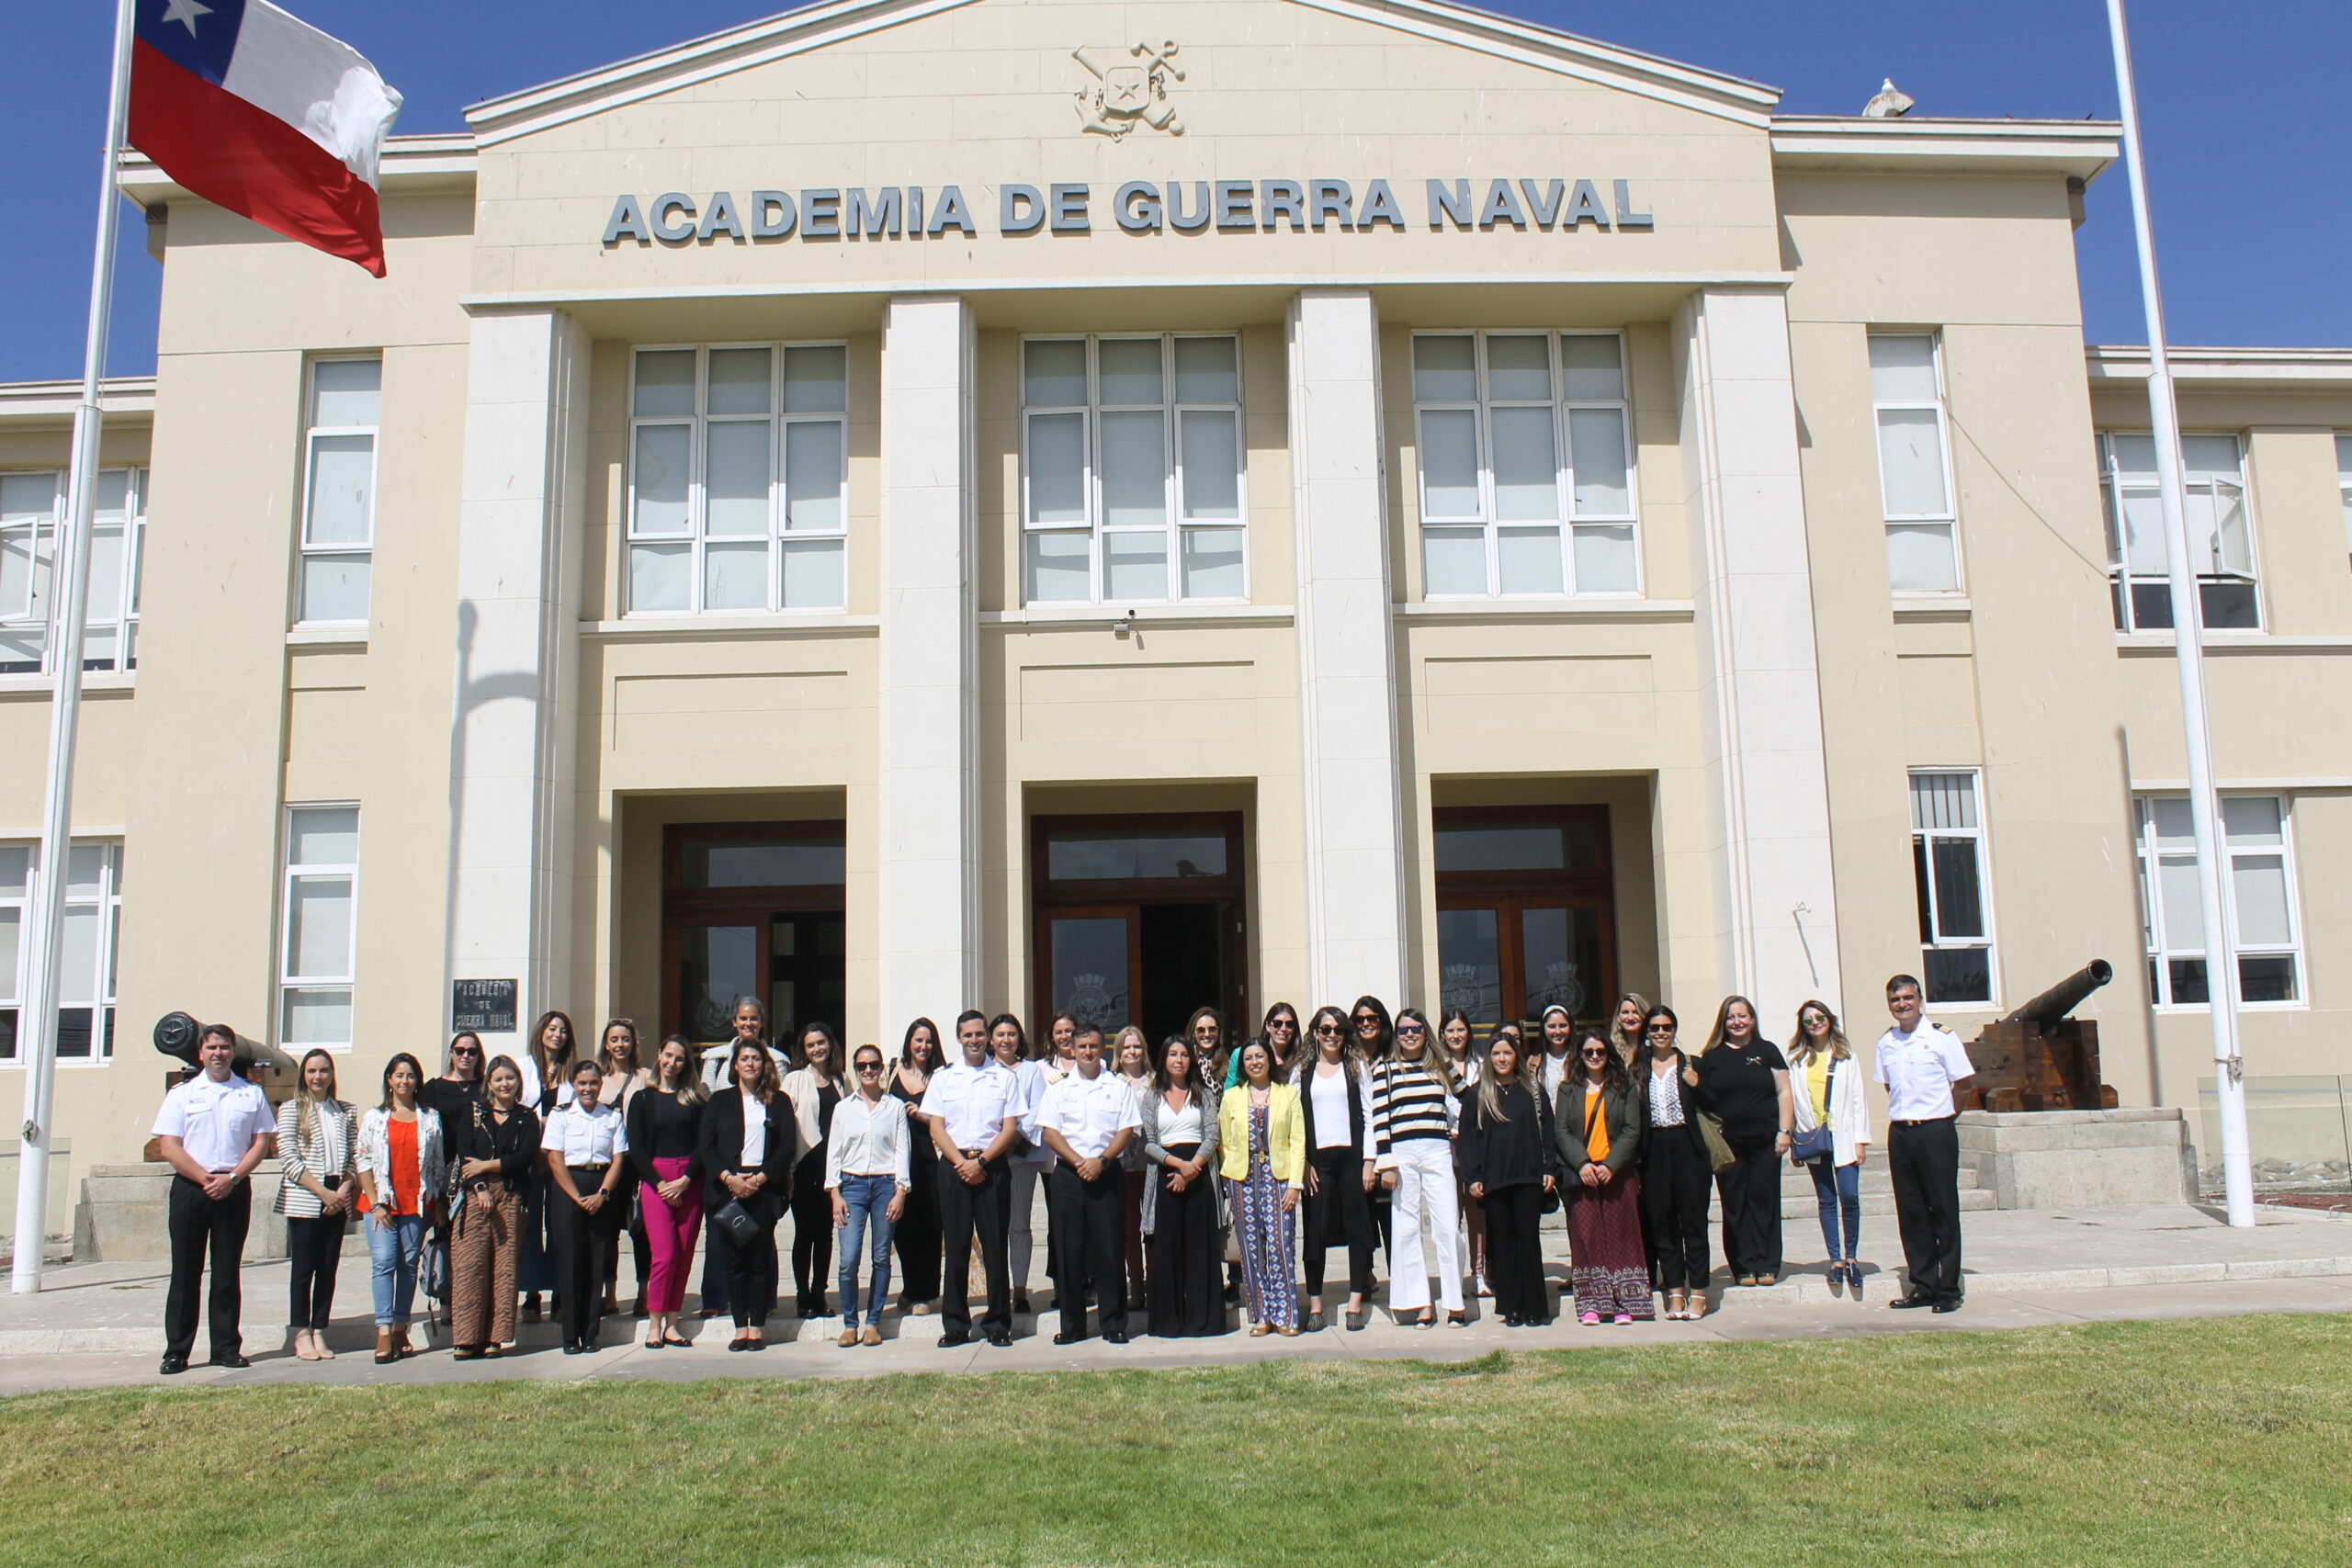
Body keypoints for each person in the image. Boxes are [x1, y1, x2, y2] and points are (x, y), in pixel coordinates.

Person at [153, 1023, 275, 1374]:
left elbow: (261, 1143)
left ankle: (225, 1347)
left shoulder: (250, 1094)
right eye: (211, 1048)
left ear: (233, 1052)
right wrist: (203, 1177)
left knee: (225, 1274)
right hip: (192, 1188)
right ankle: (177, 1351)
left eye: (224, 1048)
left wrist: (232, 1178)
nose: (218, 1054)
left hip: (233, 1189)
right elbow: (169, 1146)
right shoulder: (181, 1095)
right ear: (200, 1054)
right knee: (185, 1274)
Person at [918, 1010, 1023, 1348]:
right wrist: (962, 1162)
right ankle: (955, 1325)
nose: (975, 1040)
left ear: (988, 1038)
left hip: (992, 1166)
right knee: (958, 1247)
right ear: (959, 1038)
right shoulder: (944, 1078)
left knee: (994, 1247)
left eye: (980, 1034)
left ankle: (997, 1323)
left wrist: (983, 1161)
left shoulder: (1005, 1077)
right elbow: (936, 1126)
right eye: (968, 1035)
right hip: (953, 1165)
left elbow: (1010, 1128)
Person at [1037, 1026, 1142, 1344]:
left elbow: (1126, 1129)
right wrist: (1079, 1162)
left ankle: (1113, 1324)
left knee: (1110, 1249)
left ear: (1103, 1049)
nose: (1087, 1052)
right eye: (1081, 1046)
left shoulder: (1118, 1086)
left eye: (1093, 1046)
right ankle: (1072, 1326)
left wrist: (1102, 1161)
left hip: (1107, 1172)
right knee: (1069, 1252)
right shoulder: (1058, 1088)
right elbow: (1050, 1132)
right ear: (1072, 1049)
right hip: (1069, 1176)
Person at [1876, 975, 1975, 1313]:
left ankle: (1948, 1289)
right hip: (1902, 1132)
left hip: (1936, 1131)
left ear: (1920, 1000)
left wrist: (1945, 1116)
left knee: (1943, 1210)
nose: (1902, 1005)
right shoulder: (1886, 1042)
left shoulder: (1941, 1038)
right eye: (1895, 1000)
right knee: (1912, 1212)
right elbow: (1891, 1088)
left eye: (1907, 998)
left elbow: (1963, 1084)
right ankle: (1923, 1285)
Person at [697, 1037, 798, 1350]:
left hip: (763, 1190)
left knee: (759, 1261)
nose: (750, 1064)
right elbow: (707, 1147)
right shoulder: (720, 1102)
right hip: (728, 1191)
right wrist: (730, 1178)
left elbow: (785, 1147)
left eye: (755, 1058)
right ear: (735, 1065)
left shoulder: (778, 1101)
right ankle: (739, 1327)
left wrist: (761, 1178)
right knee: (733, 1262)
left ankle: (757, 1328)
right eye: (744, 1059)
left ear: (764, 1063)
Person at [1373, 1006, 1464, 1327]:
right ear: (1396, 1035)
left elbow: (1469, 1097)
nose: (1410, 1034)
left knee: (1447, 1226)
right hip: (1402, 1153)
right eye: (1403, 1030)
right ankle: (1419, 1304)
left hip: (1437, 1149)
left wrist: (1459, 1126)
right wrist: (1386, 1164)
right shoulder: (1384, 1070)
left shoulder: (1442, 1066)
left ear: (1425, 1032)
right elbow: (1380, 1119)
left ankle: (1455, 1303)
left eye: (1416, 1029)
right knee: (1406, 1227)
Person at [1458, 1032, 1557, 1326]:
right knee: (1503, 1243)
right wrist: (1473, 1177)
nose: (1502, 1059)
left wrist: (1549, 1168)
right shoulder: (1478, 1094)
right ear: (1489, 1058)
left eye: (1507, 1053)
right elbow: (1469, 1140)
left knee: (1528, 1240)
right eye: (1496, 1054)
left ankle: (1535, 1308)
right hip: (1495, 1179)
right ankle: (1511, 1307)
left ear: (1517, 1056)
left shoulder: (1532, 1090)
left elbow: (1548, 1130)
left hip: (1528, 1176)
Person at [1694, 996, 1793, 1288]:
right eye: (1731, 1017)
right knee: (1734, 1205)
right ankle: (1743, 1266)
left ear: (1752, 1019)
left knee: (1764, 1203)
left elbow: (1784, 1093)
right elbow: (1705, 1101)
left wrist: (1784, 1132)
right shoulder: (1711, 1057)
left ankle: (1767, 1264)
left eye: (1742, 1016)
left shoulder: (1768, 1051)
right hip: (1729, 1145)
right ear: (1723, 1022)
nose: (1737, 1022)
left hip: (1766, 1142)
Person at [358, 1052, 448, 1363]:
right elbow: (363, 1160)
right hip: (381, 1204)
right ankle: (383, 1330)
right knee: (383, 1263)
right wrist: (374, 1202)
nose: (404, 1081)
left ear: (417, 1080)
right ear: (389, 1080)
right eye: (399, 1075)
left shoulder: (431, 1118)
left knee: (409, 1264)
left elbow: (437, 1165)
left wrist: (438, 1205)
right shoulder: (375, 1117)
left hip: (417, 1203)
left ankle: (400, 1326)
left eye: (409, 1075)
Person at [449, 1055, 541, 1359]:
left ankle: (495, 1337)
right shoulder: (475, 1114)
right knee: (470, 1266)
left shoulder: (526, 1118)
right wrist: (478, 1187)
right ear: (489, 1084)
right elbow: (465, 1156)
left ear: (518, 1082)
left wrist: (488, 1166)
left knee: (504, 1270)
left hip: (512, 1197)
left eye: (510, 1078)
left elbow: (525, 1157)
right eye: (499, 1079)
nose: (505, 1084)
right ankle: (466, 1338)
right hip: (475, 1197)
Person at [1557, 1027, 1649, 1324]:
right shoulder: (1567, 1090)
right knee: (1587, 1237)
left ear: (1608, 1054)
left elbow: (1632, 1129)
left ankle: (1626, 1303)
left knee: (1622, 1236)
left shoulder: (1624, 1088)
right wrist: (1582, 1163)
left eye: (1600, 1051)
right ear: (1580, 1056)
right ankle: (1593, 1304)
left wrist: (1611, 1164)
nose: (1595, 1056)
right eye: (1588, 1052)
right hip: (1581, 1174)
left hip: (1616, 1172)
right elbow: (1562, 1131)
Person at [275, 1048, 358, 1362]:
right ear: (303, 1076)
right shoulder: (291, 1109)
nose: (318, 1077)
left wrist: (344, 1189)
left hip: (338, 1194)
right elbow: (289, 1158)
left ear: (332, 1074)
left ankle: (320, 1327)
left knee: (327, 1268)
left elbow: (354, 1154)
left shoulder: (345, 1111)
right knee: (304, 1268)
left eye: (323, 1070)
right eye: (311, 1071)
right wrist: (323, 1193)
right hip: (307, 1196)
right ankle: (301, 1331)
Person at [540, 1058, 628, 1355]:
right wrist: (577, 1196)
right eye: (582, 1083)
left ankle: (591, 1334)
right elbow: (554, 1159)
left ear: (600, 1085)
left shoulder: (612, 1116)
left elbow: (618, 1159)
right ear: (574, 1086)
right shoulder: (561, 1115)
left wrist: (602, 1193)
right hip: (569, 1188)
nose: (588, 1089)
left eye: (593, 1083)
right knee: (570, 1263)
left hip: (601, 1186)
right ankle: (569, 1336)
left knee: (596, 1263)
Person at [826, 1043, 911, 1347]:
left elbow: (902, 1150)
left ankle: (873, 1322)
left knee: (880, 1257)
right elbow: (834, 1153)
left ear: (882, 1069)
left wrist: (901, 1190)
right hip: (852, 1186)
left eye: (874, 1065)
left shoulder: (895, 1107)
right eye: (862, 1066)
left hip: (886, 1186)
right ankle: (850, 1323)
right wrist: (834, 1193)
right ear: (855, 1069)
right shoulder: (843, 1108)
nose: (868, 1071)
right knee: (848, 1259)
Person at [1296, 1004, 1375, 1332]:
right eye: (1325, 1029)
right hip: (1317, 1163)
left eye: (1338, 1030)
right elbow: (1295, 1122)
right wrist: (1301, 1162)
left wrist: (1369, 1161)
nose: (1332, 1035)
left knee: (1358, 1230)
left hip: (1351, 1160)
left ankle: (1355, 1300)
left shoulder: (1356, 1068)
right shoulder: (1301, 1071)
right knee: (1315, 1232)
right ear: (1315, 1033)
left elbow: (1370, 1115)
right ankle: (1316, 1302)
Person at [1138, 1034, 1223, 1337]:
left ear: (1191, 1060)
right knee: (1166, 1250)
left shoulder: (1204, 1094)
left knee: (1201, 1249)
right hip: (1165, 1174)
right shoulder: (1152, 1096)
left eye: (1184, 1055)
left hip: (1199, 1173)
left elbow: (1212, 1136)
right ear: (1163, 1059)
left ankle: (1204, 1322)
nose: (1178, 1060)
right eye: (1172, 1054)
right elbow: (1148, 1143)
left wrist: (1193, 1168)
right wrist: (1178, 1166)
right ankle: (1167, 1323)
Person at [696, 996, 775, 1319]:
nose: (748, 1024)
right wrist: (726, 1175)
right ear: (734, 1023)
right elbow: (706, 1123)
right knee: (718, 1242)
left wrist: (764, 1176)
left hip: (760, 1173)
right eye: (743, 1019)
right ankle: (715, 1299)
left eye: (753, 1019)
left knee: (761, 1245)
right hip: (724, 1171)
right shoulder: (714, 1059)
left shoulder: (777, 1060)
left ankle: (764, 1301)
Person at [626, 1034, 705, 1350]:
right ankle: (654, 1323)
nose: (672, 1063)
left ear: (686, 1064)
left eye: (680, 1058)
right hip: (656, 1180)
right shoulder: (642, 1099)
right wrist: (660, 1184)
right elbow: (637, 1148)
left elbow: (703, 1144)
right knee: (665, 1255)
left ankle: (673, 1323)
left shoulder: (695, 1098)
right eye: (668, 1055)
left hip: (689, 1180)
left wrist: (685, 1180)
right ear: (659, 1056)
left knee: (684, 1255)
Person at [1221, 1038, 1304, 1337]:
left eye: (1260, 1056)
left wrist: (1295, 1184)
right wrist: (1231, 1176)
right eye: (1248, 1058)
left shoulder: (1287, 1094)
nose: (1255, 1062)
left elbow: (1297, 1140)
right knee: (1251, 1249)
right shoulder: (1232, 1097)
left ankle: (1285, 1314)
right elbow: (1226, 1141)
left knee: (1280, 1245)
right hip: (1243, 1180)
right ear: (1242, 1065)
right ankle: (1260, 1314)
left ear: (1269, 1059)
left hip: (1279, 1179)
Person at [1635, 1006, 1713, 1321]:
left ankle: (1699, 1294)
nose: (1661, 1033)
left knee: (1693, 1223)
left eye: (1666, 1027)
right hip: (1654, 1149)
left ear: (1674, 1030)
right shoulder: (1638, 1068)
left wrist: (1696, 1084)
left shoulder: (1691, 1064)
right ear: (1647, 1034)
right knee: (1663, 1224)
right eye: (1654, 1028)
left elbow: (1715, 1103)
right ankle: (1676, 1293)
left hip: (1687, 1147)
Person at [1788, 1000, 1871, 1293]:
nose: (1815, 1024)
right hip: (1815, 1137)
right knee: (1826, 1199)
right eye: (1808, 1020)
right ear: (1803, 1026)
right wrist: (1795, 1141)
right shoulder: (1797, 1060)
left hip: (1844, 1135)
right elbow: (1794, 1103)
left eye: (1819, 1018)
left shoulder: (1846, 1057)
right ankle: (1835, 1261)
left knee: (1849, 1196)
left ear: (1829, 1020)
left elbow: (1859, 1100)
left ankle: (1852, 1258)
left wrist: (1861, 1140)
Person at [990, 1012, 1057, 1317]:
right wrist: (995, 1146)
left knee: (1019, 1226)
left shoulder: (1031, 1071)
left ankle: (1019, 1290)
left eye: (1012, 1034)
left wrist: (1011, 1140)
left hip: (1021, 1157)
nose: (1006, 1040)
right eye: (1000, 1034)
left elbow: (1035, 1110)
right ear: (991, 1039)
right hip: (987, 1159)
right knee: (993, 1227)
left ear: (1020, 1039)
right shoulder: (983, 1071)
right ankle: (996, 1288)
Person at [511, 1010, 574, 1324]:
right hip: (530, 1158)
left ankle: (560, 1290)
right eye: (552, 1029)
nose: (557, 1035)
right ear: (541, 1032)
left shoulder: (572, 1070)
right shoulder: (523, 1068)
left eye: (562, 1030)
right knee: (530, 1225)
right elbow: (513, 1107)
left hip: (560, 1157)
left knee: (560, 1226)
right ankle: (532, 1293)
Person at [782, 1021, 848, 1318]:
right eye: (810, 1045)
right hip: (804, 1166)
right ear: (804, 1050)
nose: (817, 1049)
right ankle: (802, 1295)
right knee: (804, 1233)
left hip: (833, 1169)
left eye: (821, 1043)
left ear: (829, 1044)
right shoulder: (794, 1079)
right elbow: (784, 1126)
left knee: (826, 1235)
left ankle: (820, 1294)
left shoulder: (842, 1080)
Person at [594, 1020, 652, 1316]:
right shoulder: (597, 1079)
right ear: (606, 1044)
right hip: (606, 1164)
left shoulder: (645, 1077)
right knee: (607, 1231)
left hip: (637, 1162)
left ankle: (644, 1294)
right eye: (614, 1039)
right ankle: (611, 1295)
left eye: (625, 1039)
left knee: (640, 1230)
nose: (620, 1045)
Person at [888, 1019, 945, 1315]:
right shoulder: (891, 1074)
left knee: (931, 1226)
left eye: (929, 1041)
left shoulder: (941, 1078)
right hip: (899, 1162)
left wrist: (925, 1117)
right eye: (918, 1040)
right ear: (909, 1042)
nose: (923, 1047)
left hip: (931, 1161)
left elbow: (951, 1118)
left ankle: (926, 1293)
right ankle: (910, 1287)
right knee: (903, 1227)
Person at [1438, 1009, 1485, 1296]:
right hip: (1445, 1150)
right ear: (1442, 1034)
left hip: (1476, 1150)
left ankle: (1478, 1275)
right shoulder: (1436, 1067)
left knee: (1477, 1215)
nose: (1456, 1036)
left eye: (1460, 1030)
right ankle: (1453, 1276)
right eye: (1450, 1031)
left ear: (1469, 1033)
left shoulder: (1482, 1065)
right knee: (1450, 1217)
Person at [1349, 995, 1396, 1265]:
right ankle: (1365, 1275)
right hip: (1357, 1145)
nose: (1366, 1023)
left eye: (1372, 1018)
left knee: (1390, 1219)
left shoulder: (1393, 1056)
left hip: (1389, 1145)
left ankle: (1398, 1281)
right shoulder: (1348, 1058)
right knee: (1361, 1217)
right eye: (1360, 1019)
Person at [1112, 1024, 1154, 1311]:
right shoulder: (1111, 1081)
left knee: (1151, 1226)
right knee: (1128, 1228)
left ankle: (1155, 1281)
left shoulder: (1155, 1080)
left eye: (1136, 1046)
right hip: (1123, 1164)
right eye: (1126, 1047)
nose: (1132, 1051)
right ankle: (1135, 1284)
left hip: (1150, 1163)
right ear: (1118, 1052)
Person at [1535, 1005, 1576, 1105]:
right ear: (1543, 1028)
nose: (1558, 1031)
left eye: (1563, 1026)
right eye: (1552, 1026)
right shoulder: (1534, 1062)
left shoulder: (1578, 1058)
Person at [1608, 992, 1654, 1071]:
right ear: (1618, 1017)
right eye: (1625, 1012)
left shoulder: (1653, 1048)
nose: (1630, 1018)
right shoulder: (1611, 1048)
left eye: (1635, 1012)